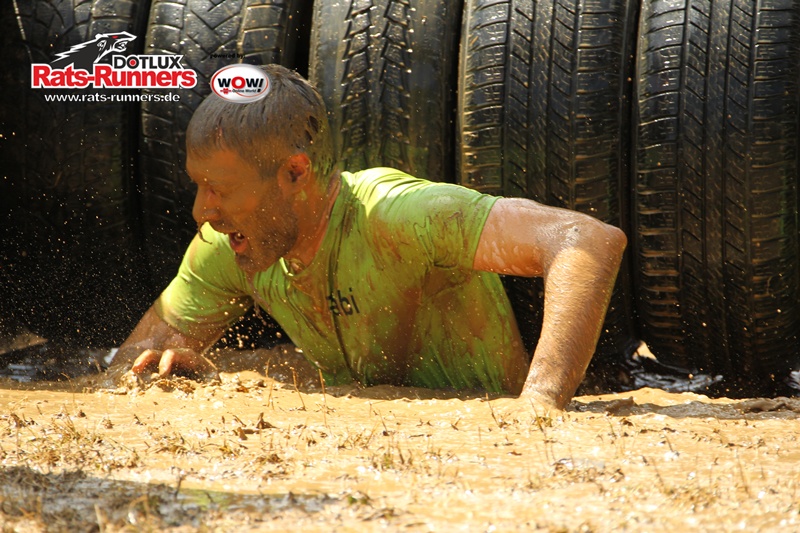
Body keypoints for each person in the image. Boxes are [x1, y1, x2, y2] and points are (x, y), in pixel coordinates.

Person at [111, 64, 626, 410]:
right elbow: (118, 375)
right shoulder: (227, 246)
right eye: (199, 186)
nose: (202, 212)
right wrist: (182, 376)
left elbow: (586, 238)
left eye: (220, 190)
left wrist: (539, 404)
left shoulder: (397, 216)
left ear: (295, 172)